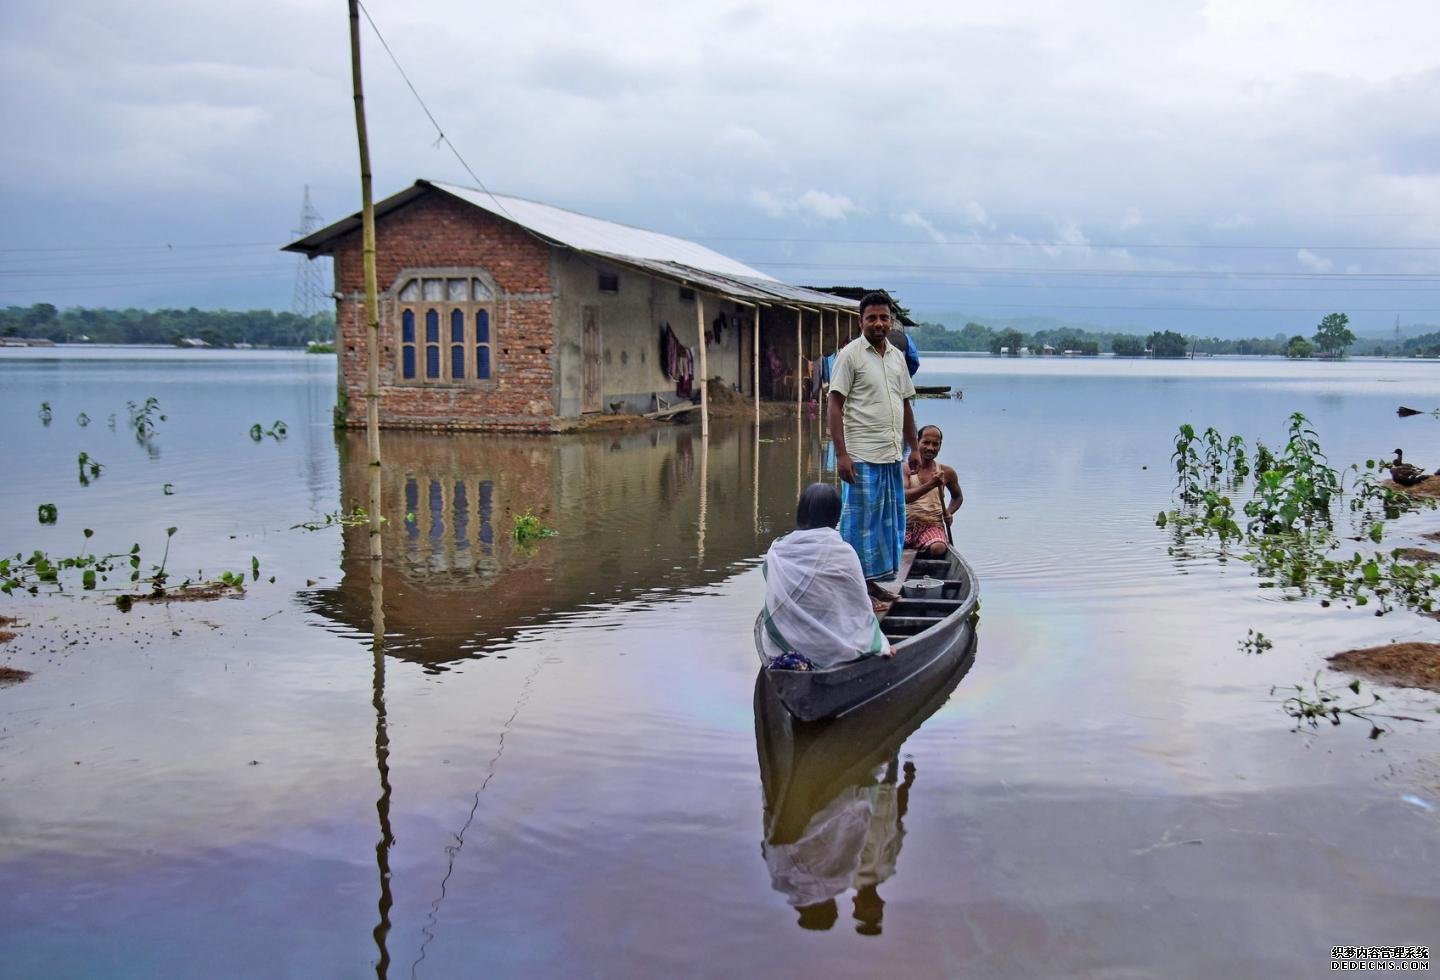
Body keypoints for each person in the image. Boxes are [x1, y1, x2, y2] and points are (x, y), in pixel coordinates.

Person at [827, 292, 919, 596]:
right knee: (858, 526)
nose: (879, 323)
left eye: (884, 318)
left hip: (892, 455)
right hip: (861, 455)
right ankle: (855, 586)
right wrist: (841, 454)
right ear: (861, 321)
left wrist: (914, 447)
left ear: (891, 321)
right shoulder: (850, 355)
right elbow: (835, 404)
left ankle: (874, 583)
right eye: (872, 318)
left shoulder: (896, 357)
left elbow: (905, 404)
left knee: (887, 525)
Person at [758, 483, 890, 669]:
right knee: (864, 633)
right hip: (833, 652)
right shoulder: (844, 552)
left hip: (781, 647)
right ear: (835, 516)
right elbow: (860, 607)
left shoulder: (777, 550)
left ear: (800, 513)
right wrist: (878, 643)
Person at [903, 424, 963, 558]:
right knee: (884, 545)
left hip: (932, 526)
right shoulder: (905, 469)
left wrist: (949, 512)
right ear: (917, 442)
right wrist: (932, 484)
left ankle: (924, 553)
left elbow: (957, 497)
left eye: (935, 444)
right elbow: (905, 497)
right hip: (905, 526)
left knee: (938, 548)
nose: (931, 448)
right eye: (926, 443)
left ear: (940, 446)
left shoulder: (947, 472)